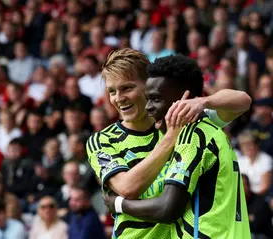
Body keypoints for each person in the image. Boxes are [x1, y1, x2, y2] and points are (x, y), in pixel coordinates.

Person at [86, 48, 251, 238]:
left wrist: (203, 102)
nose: (118, 98)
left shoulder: (181, 121)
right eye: (112, 91)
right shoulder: (102, 140)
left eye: (127, 88)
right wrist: (171, 137)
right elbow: (127, 187)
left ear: (147, 86)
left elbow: (243, 101)